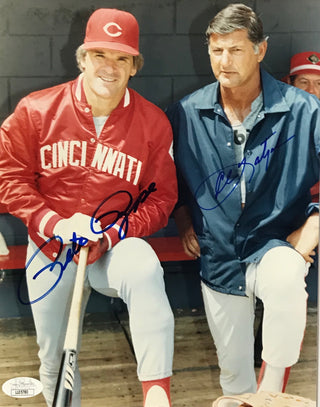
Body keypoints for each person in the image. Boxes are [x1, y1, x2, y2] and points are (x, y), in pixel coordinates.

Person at [0, 8, 177, 407]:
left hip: (112, 246)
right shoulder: (35, 110)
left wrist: (113, 232)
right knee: (55, 359)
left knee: (144, 265)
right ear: (82, 58)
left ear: (134, 67)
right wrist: (53, 223)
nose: (109, 67)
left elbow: (161, 198)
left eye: (121, 58)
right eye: (100, 54)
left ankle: (157, 395)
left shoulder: (153, 123)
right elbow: (9, 178)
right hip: (50, 247)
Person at [166, 3, 319, 396]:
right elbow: (173, 181)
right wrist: (184, 219)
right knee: (233, 378)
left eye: (235, 49)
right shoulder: (187, 111)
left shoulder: (303, 109)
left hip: (275, 243)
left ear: (261, 50)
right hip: (219, 255)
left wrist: (311, 227)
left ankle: (270, 396)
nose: (225, 60)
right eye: (217, 50)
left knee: (287, 279)